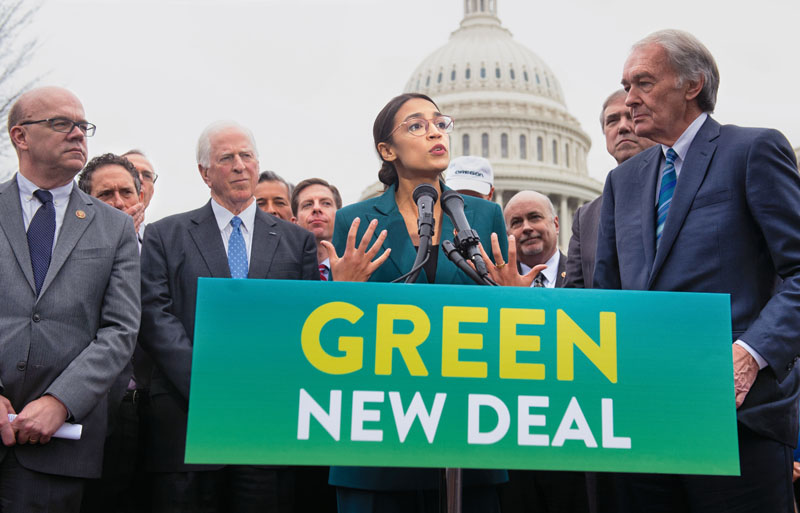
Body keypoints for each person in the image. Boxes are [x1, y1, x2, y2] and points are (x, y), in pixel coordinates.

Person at [594, 29, 800, 512]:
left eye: (643, 82)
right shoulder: (622, 182)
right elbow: (606, 297)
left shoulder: (752, 151)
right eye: (625, 86)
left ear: (693, 84)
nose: (629, 100)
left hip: (736, 419)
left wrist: (752, 353)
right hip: (642, 419)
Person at [325, 92, 512, 513]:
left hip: (465, 433)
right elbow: (334, 337)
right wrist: (341, 294)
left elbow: (503, 329)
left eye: (439, 123)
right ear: (387, 150)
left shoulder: (482, 218)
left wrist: (516, 301)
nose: (433, 131)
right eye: (415, 125)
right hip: (376, 441)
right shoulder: (354, 221)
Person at [139, 121, 318, 513]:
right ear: (204, 172)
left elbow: (305, 324)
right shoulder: (164, 236)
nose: (239, 166)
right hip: (187, 425)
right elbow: (155, 316)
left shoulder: (296, 242)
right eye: (226, 158)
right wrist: (210, 385)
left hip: (267, 423)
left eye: (246, 156)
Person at [0, 86, 140, 512]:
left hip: (57, 447)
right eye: (62, 124)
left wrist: (61, 401)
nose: (78, 134)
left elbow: (120, 330)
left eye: (83, 126)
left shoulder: (114, 228)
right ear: (20, 136)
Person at [76, 153, 149, 513]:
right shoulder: (71, 254)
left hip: (156, 416)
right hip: (94, 412)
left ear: (142, 197)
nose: (119, 202)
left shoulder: (161, 250)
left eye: (126, 192)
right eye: (107, 195)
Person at [564, 89, 655, 288]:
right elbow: (574, 294)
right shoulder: (585, 218)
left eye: (631, 116)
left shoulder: (673, 190)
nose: (623, 127)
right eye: (612, 120)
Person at [503, 190, 566, 288]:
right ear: (508, 235)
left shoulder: (583, 275)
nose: (526, 227)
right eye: (516, 222)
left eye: (535, 217)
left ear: (556, 225)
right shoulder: (498, 283)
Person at [291, 177, 342, 282]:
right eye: (308, 204)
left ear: (341, 216)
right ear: (294, 222)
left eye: (326, 203)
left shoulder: (356, 266)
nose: (316, 208)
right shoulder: (283, 272)